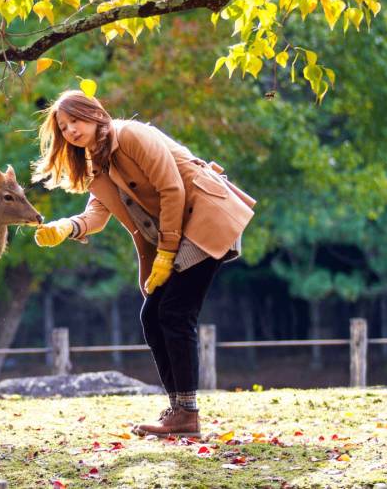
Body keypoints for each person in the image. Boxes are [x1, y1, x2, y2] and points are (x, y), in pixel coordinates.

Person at [32, 89, 256, 438]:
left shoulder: (130, 135)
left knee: (175, 313)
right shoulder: (98, 162)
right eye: (63, 127)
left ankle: (186, 413)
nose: (70, 130)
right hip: (179, 231)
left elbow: (172, 190)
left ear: (94, 114)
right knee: (152, 316)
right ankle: (179, 410)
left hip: (204, 217)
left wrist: (166, 254)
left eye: (74, 120)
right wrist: (68, 227)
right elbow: (98, 212)